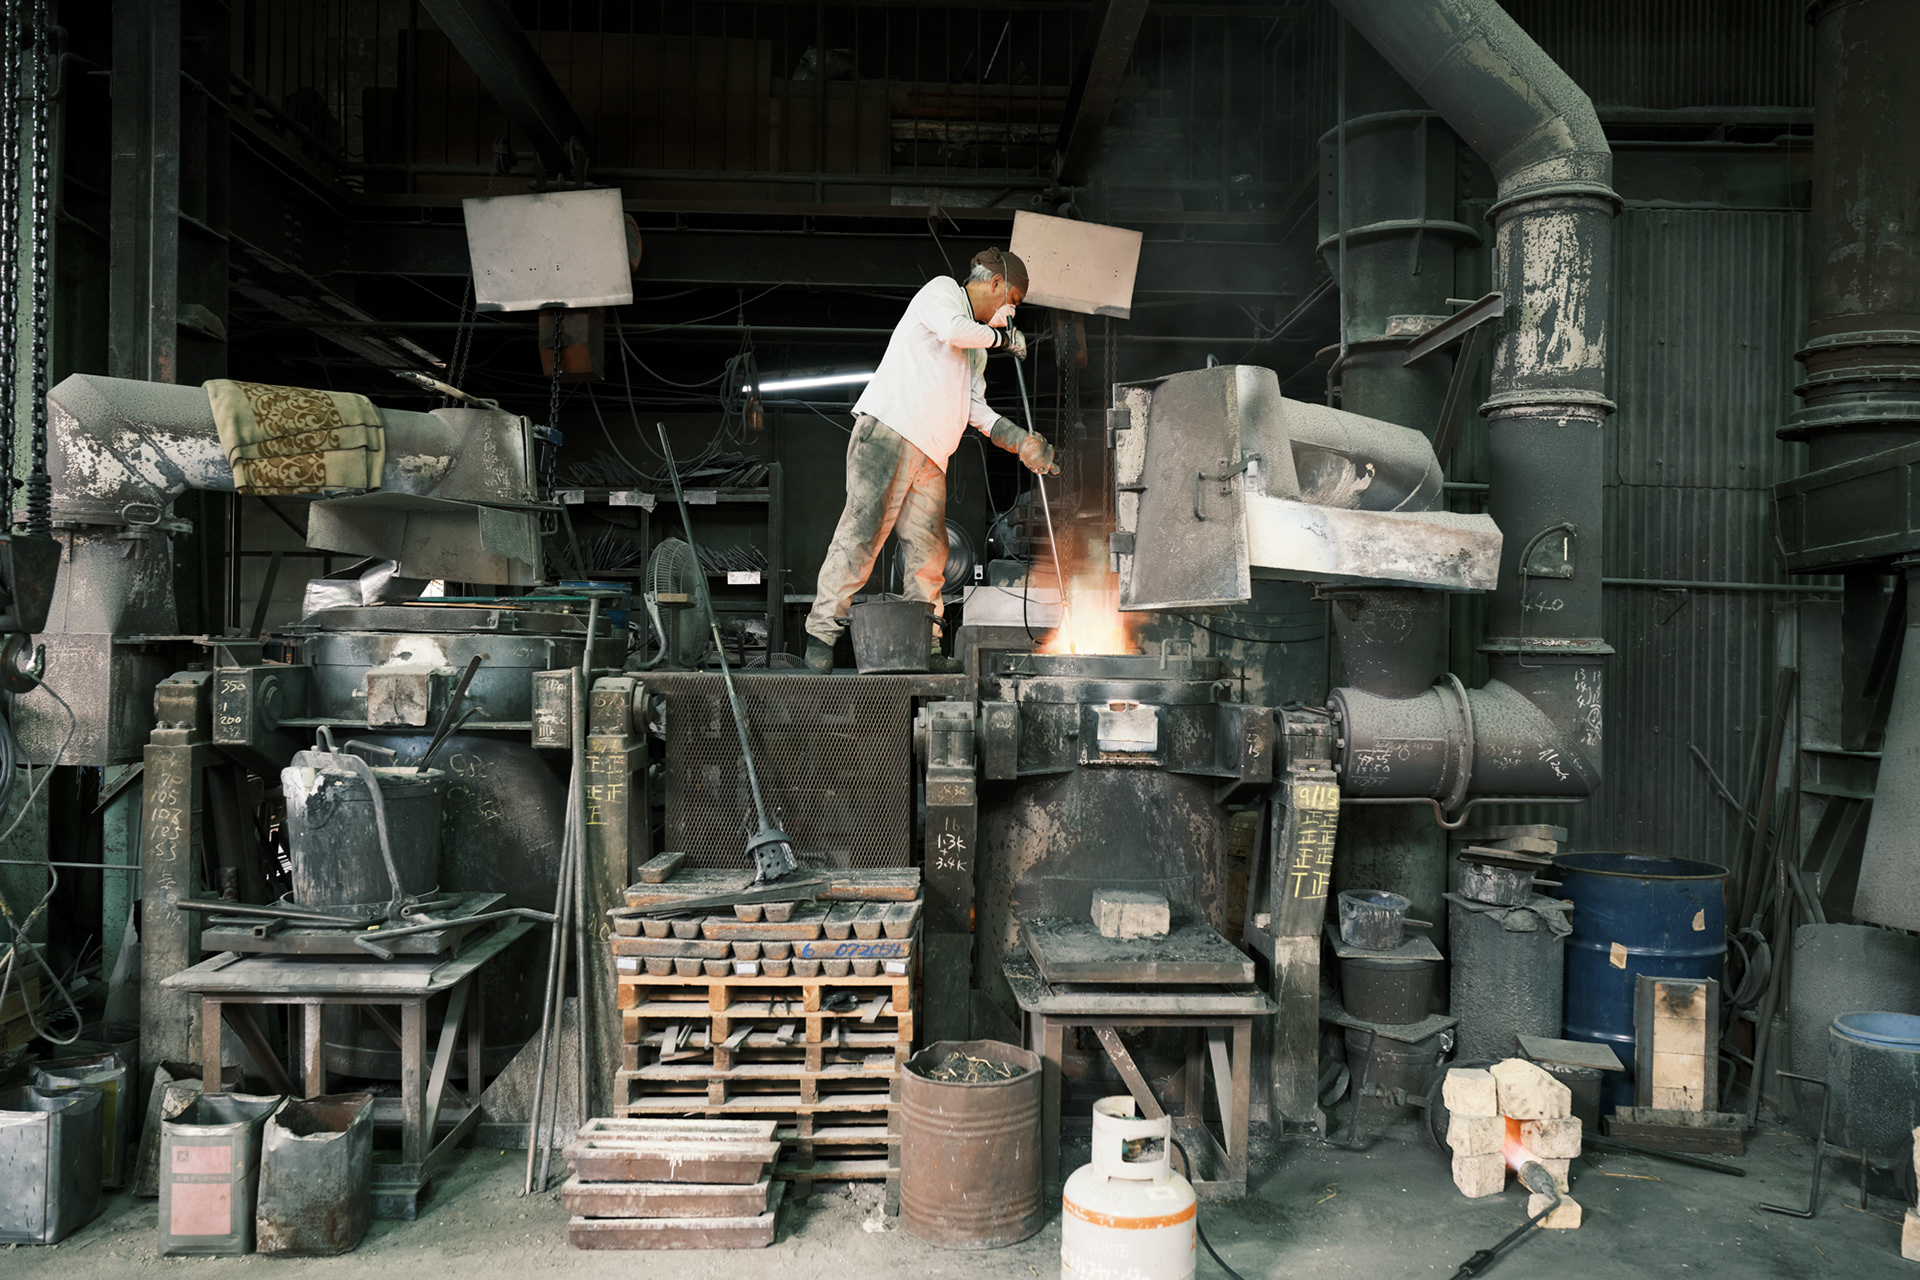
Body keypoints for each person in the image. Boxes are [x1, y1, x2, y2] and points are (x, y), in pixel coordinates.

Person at [803, 247, 1059, 673]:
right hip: (888, 431)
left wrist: (1020, 441)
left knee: (930, 553)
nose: (1010, 312)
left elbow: (976, 409)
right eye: (1012, 300)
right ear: (995, 283)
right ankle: (821, 635)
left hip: (932, 454)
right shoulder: (942, 293)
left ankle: (927, 645)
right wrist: (1003, 339)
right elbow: (954, 330)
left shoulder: (976, 351)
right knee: (861, 535)